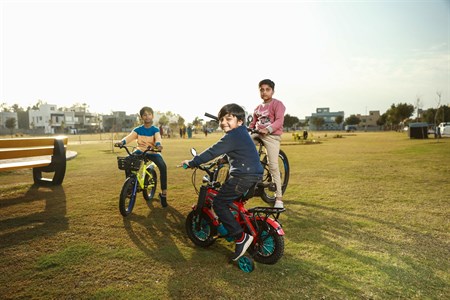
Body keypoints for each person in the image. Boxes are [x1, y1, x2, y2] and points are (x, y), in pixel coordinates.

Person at [181, 103, 263, 261]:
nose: (223, 122)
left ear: (239, 121)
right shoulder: (241, 133)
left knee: (219, 203)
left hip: (242, 177)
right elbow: (239, 151)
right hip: (254, 176)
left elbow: (213, 150)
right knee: (233, 202)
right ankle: (238, 226)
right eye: (221, 119)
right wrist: (222, 160)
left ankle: (240, 237)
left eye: (228, 118)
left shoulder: (232, 136)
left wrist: (193, 162)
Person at [115, 106, 168, 207]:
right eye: (145, 115)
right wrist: (121, 142)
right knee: (127, 161)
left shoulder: (155, 129)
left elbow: (158, 139)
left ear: (152, 116)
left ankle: (164, 194)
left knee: (163, 167)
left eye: (149, 114)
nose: (147, 117)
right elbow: (129, 138)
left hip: (153, 152)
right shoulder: (138, 129)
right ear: (141, 117)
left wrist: (158, 145)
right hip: (140, 151)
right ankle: (130, 185)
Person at [248, 79, 286, 209]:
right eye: (261, 90)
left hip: (271, 136)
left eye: (267, 89)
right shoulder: (257, 108)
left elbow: (279, 121)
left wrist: (268, 129)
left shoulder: (277, 104)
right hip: (258, 133)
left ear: (272, 91)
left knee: (273, 165)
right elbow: (253, 124)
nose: (264, 92)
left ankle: (279, 199)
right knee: (244, 144)